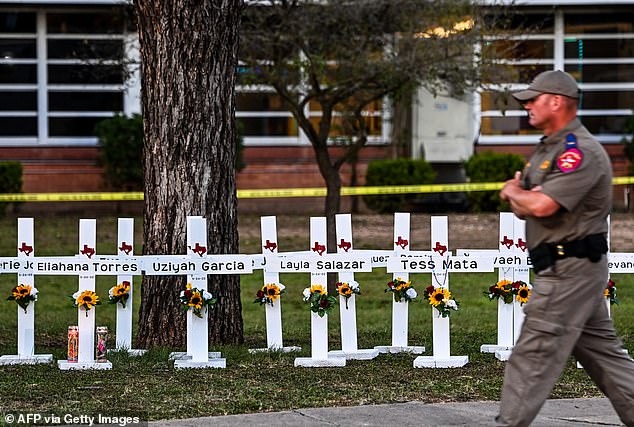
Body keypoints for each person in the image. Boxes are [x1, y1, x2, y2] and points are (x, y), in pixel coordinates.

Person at [497, 70, 634, 427]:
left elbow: (541, 205)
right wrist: (523, 197)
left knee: (532, 357)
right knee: (606, 359)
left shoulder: (580, 151)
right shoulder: (551, 148)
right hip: (568, 269)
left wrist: (514, 192)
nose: (526, 105)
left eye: (533, 99)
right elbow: (530, 201)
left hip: (568, 270)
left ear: (556, 102)